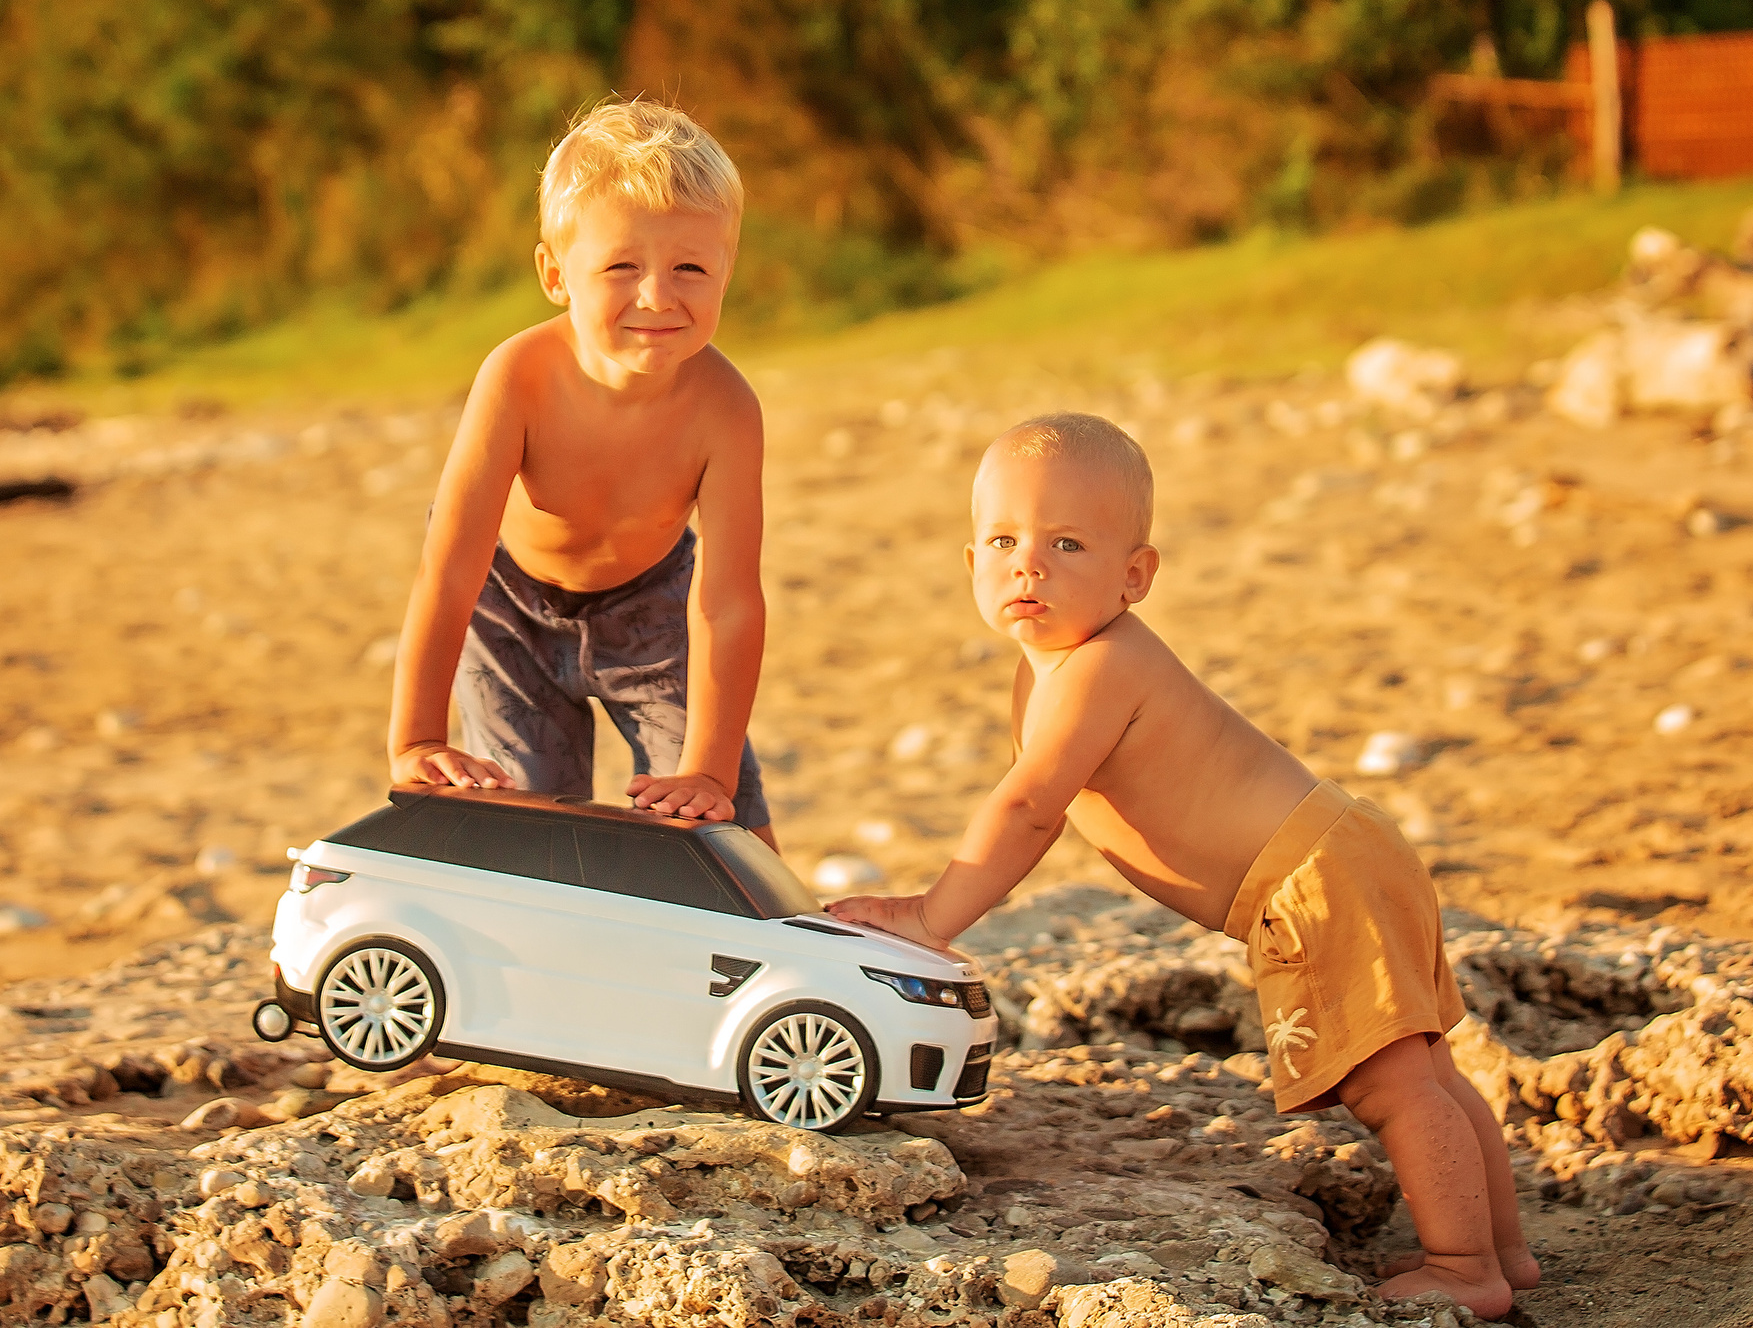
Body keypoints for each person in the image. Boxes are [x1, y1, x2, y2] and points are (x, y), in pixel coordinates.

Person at [827, 414, 1534, 1319]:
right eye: (1004, 540)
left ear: (1136, 575)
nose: (1028, 565)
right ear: (970, 561)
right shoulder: (1046, 668)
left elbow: (1030, 806)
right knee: (1428, 1069)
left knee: (1394, 1086)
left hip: (1312, 878)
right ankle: (1501, 1249)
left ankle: (1465, 1264)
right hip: (1346, 847)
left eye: (1066, 542)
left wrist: (931, 915)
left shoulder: (1099, 667)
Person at [386, 97, 775, 845]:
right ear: (556, 273)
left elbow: (727, 601)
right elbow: (452, 563)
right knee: (527, 828)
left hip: (656, 615)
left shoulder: (727, 409)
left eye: (690, 267)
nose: (657, 295)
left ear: (727, 271)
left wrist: (711, 774)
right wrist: (415, 738)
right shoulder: (518, 377)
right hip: (510, 614)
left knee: (727, 835)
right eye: (622, 266)